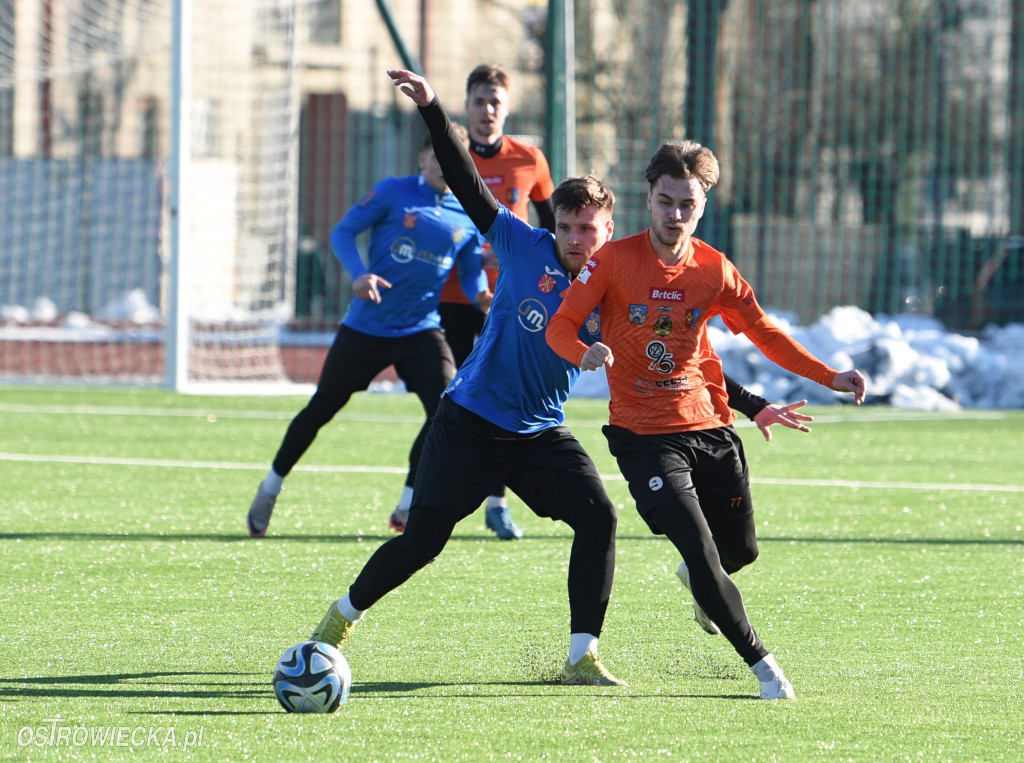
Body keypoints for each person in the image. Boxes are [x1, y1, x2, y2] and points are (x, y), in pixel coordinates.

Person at [305, 68, 626, 686]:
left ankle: (582, 655)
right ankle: (341, 617)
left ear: (607, 231)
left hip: (538, 434)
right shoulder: (519, 241)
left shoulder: (616, 286)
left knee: (600, 516)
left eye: (589, 229)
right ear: (551, 224)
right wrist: (432, 109)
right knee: (423, 542)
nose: (577, 239)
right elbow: (465, 179)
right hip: (470, 422)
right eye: (566, 227)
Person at [546, 139, 868, 700]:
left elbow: (765, 333)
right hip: (644, 439)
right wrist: (584, 352)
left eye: (687, 205)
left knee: (737, 553)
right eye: (665, 201)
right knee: (699, 549)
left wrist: (830, 376)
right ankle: (764, 667)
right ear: (648, 198)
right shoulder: (613, 262)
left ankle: (701, 584)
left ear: (703, 205)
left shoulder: (715, 270)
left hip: (710, 427)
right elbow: (561, 327)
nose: (675, 215)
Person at [246, 127, 490, 539]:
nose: (443, 166)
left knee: (448, 410)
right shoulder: (393, 192)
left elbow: (469, 271)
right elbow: (341, 232)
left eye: (452, 159)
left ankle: (409, 502)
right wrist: (359, 276)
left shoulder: (467, 214)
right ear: (422, 158)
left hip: (421, 330)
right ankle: (270, 486)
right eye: (436, 156)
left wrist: (481, 294)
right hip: (367, 325)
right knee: (321, 408)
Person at [433, 63, 557, 541]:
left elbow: (551, 229)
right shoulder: (451, 158)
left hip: (510, 304)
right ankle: (430, 497)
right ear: (466, 105)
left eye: (496, 102)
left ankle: (497, 501)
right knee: (452, 398)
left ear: (507, 107)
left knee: (506, 398)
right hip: (451, 298)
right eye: (480, 101)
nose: (487, 111)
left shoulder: (531, 159)